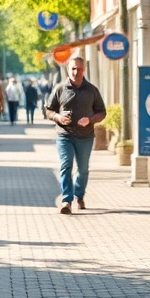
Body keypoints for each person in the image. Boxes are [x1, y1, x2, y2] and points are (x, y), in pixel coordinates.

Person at [45, 56, 106, 215]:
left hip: (85, 136)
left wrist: (90, 120)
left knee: (83, 170)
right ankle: (67, 200)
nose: (75, 72)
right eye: (73, 68)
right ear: (68, 70)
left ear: (83, 70)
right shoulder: (60, 89)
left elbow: (102, 112)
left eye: (79, 69)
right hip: (65, 135)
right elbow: (49, 110)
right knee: (66, 166)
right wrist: (57, 117)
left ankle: (79, 195)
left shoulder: (92, 90)